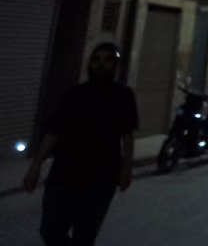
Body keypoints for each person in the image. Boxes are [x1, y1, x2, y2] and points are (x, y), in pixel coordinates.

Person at [24, 43, 137, 246]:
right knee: (50, 230)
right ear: (90, 63)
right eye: (97, 59)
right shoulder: (74, 94)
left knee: (84, 236)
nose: (101, 64)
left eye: (107, 60)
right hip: (64, 174)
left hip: (100, 178)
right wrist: (35, 166)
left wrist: (126, 169)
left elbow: (127, 136)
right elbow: (53, 132)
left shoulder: (123, 96)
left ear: (115, 65)